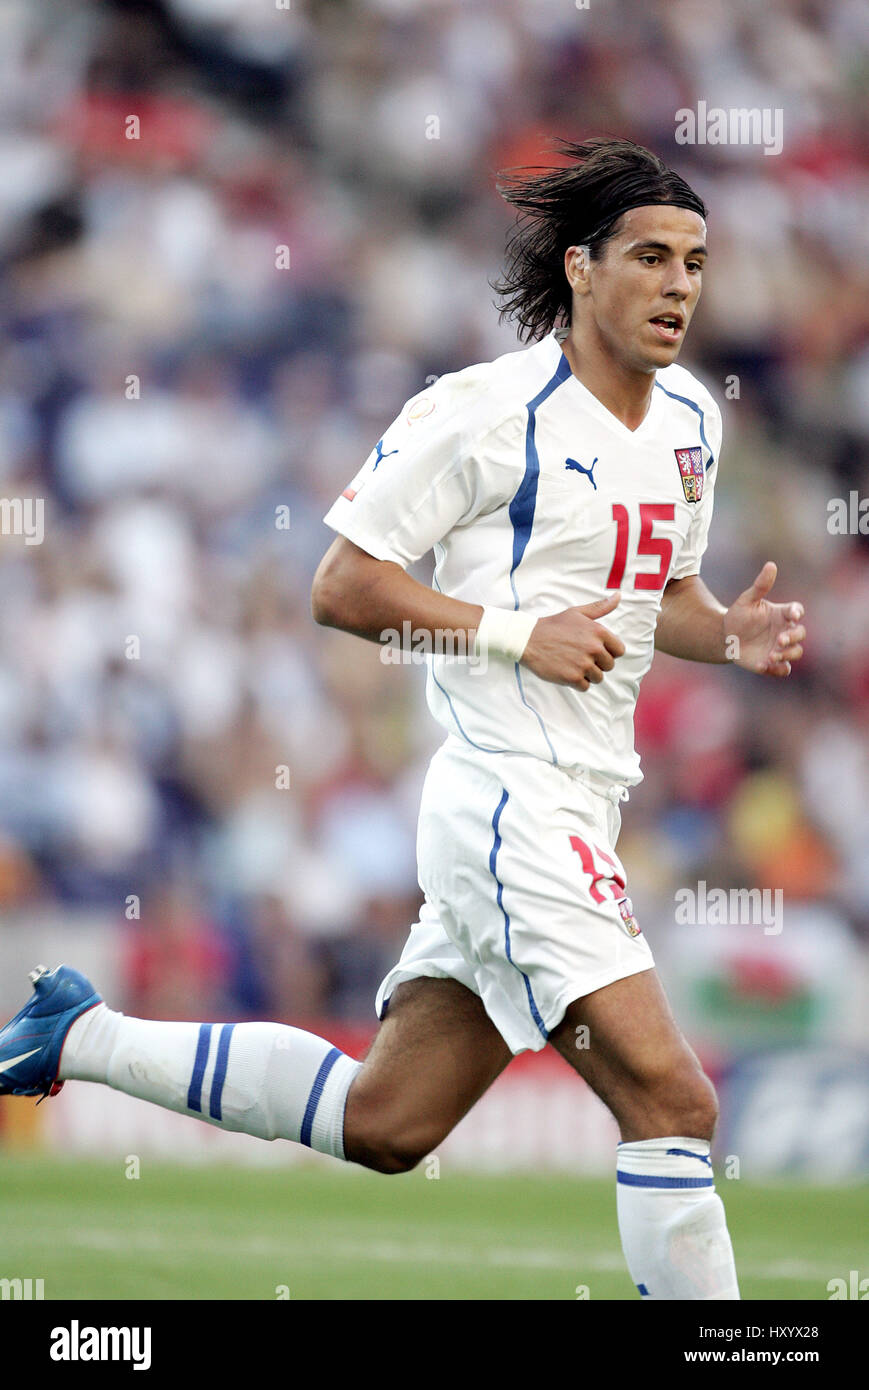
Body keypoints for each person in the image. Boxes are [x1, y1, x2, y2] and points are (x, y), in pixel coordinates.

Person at [0, 139, 805, 1301]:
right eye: (648, 257)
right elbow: (341, 585)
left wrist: (726, 633)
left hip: (578, 796)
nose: (678, 284)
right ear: (580, 269)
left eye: (694, 261)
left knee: (388, 1120)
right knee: (673, 1103)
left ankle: (77, 1037)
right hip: (506, 797)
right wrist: (510, 631)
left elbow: (658, 595)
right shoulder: (485, 413)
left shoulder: (691, 423)